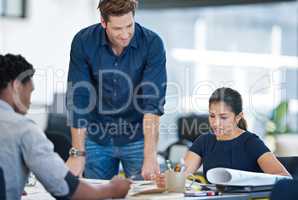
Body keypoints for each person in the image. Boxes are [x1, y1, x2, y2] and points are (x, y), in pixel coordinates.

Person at [0, 54, 131, 200]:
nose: (29, 101)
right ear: (17, 86)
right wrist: (113, 189)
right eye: (30, 92)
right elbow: (68, 190)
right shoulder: (22, 128)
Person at [66, 0, 167, 180]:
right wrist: (77, 154)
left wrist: (151, 156)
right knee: (95, 194)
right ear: (103, 23)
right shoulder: (83, 42)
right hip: (97, 138)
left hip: (138, 138)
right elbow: (78, 98)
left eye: (129, 26)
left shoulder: (152, 44)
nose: (125, 34)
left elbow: (152, 104)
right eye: (117, 29)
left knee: (145, 194)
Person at [156, 87, 290, 187]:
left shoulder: (251, 142)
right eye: (212, 116)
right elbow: (181, 172)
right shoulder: (204, 141)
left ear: (238, 117)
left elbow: (284, 178)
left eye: (223, 117)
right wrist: (169, 178)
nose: (215, 123)